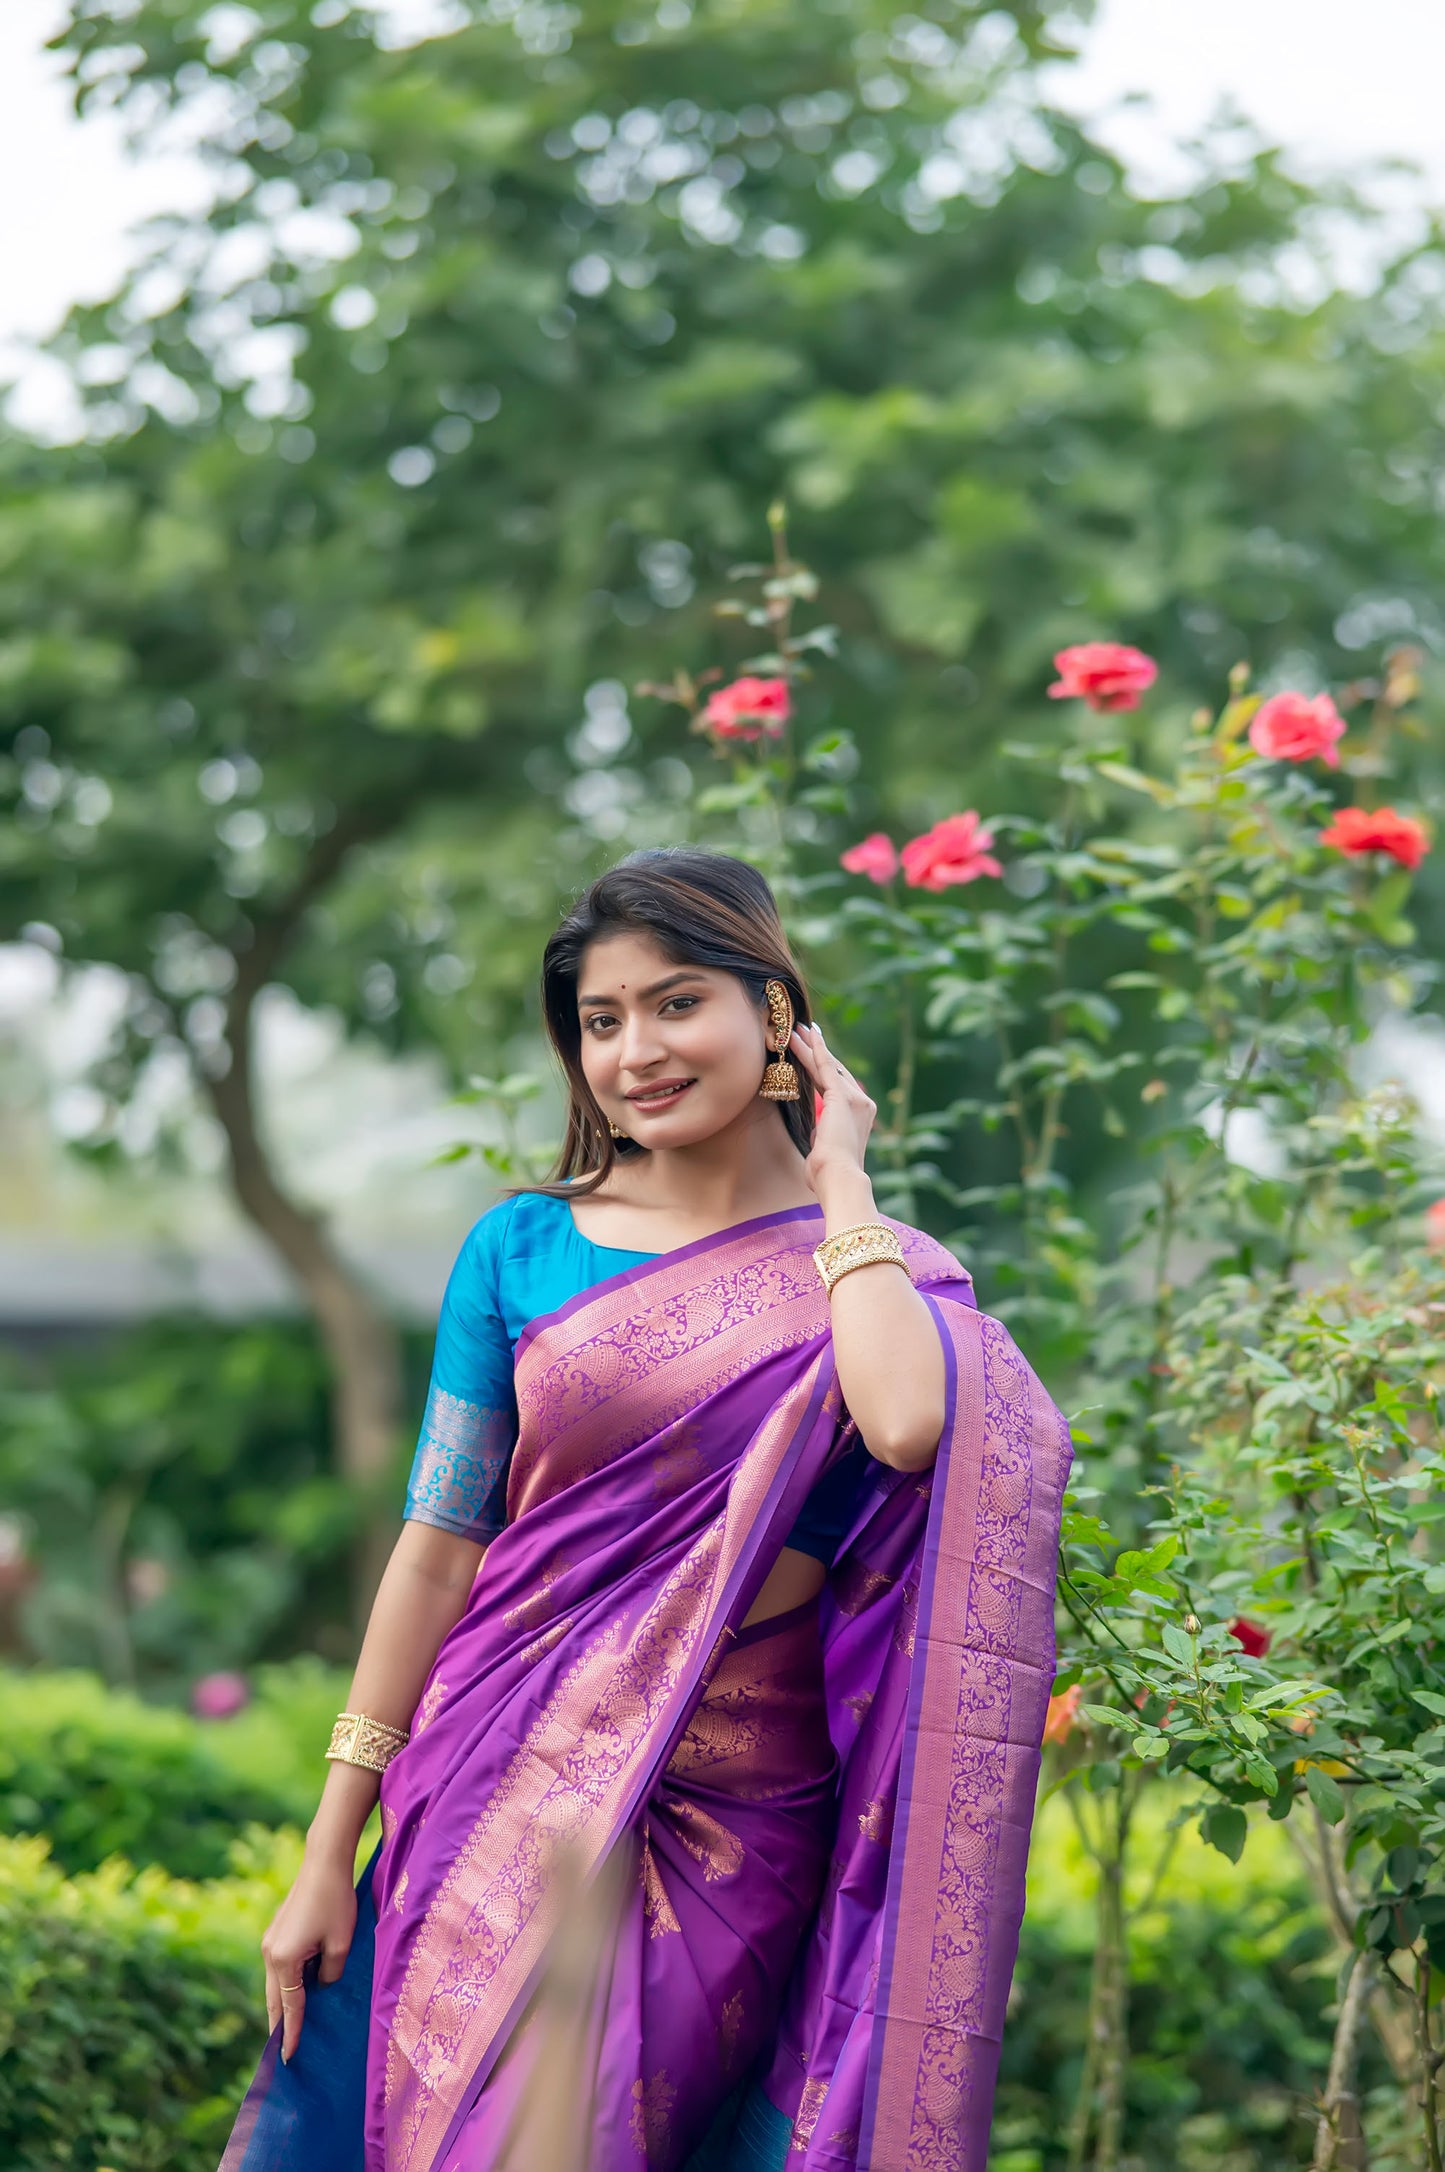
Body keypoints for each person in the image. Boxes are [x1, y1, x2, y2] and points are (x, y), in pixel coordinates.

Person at [221, 848, 1069, 2172]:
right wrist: (331, 1845)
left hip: (734, 1821)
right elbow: (437, 1550)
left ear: (774, 1013)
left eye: (677, 1004)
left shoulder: (880, 1275)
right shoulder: (521, 1251)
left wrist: (843, 1181)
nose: (635, 1052)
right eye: (601, 1021)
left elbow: (907, 1424)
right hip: (499, 1780)